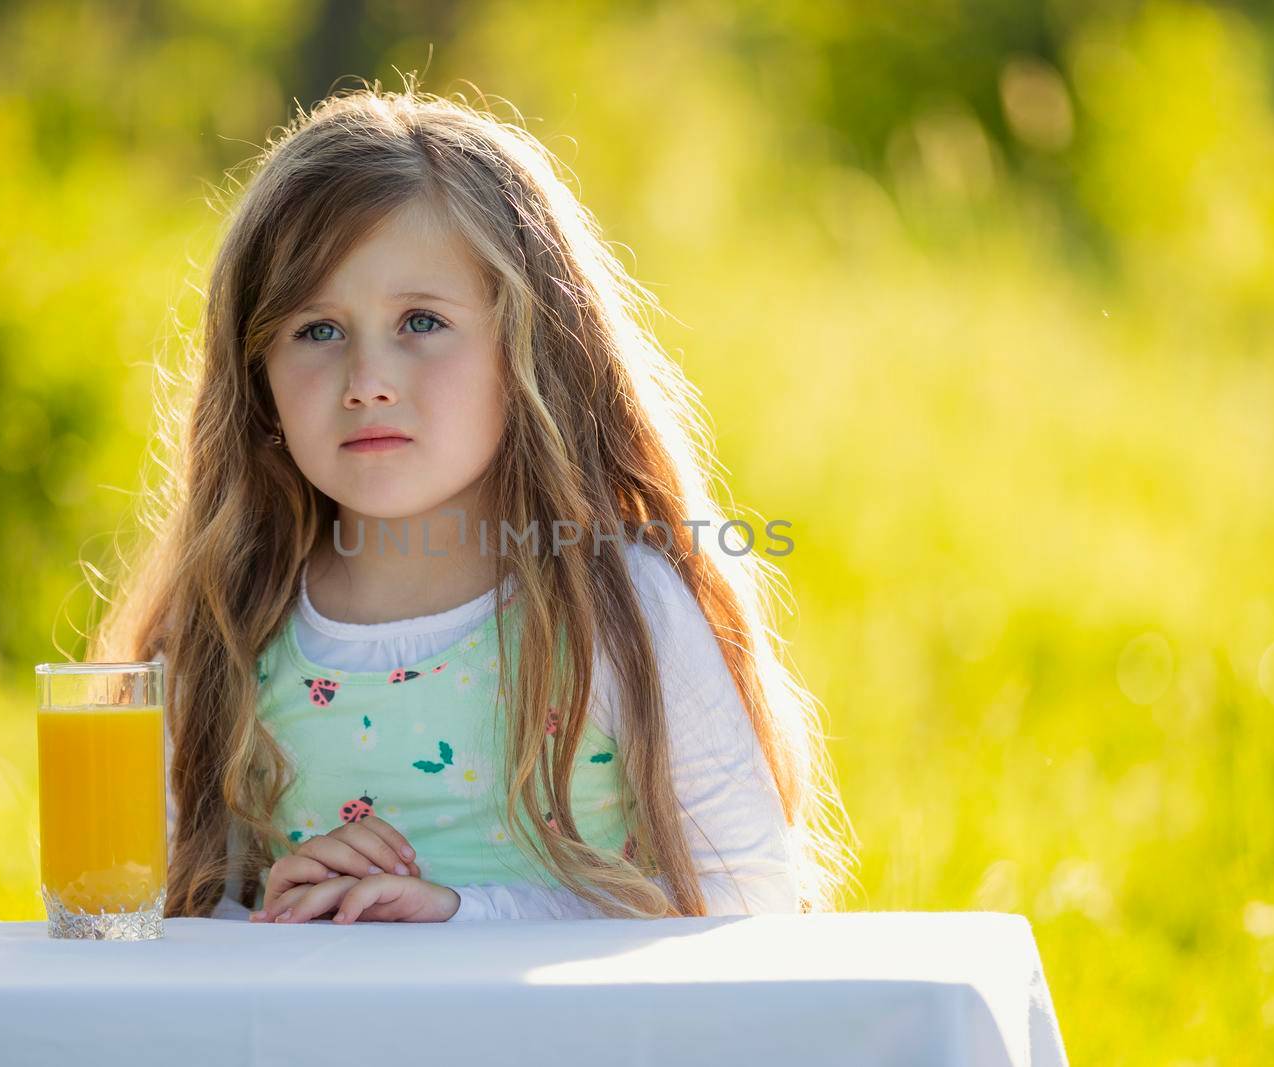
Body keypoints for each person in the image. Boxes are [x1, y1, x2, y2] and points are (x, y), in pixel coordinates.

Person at [91, 81, 856, 924]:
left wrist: (465, 915)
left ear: (531, 350)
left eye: (421, 321)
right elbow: (143, 917)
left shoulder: (616, 611)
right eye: (317, 330)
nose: (368, 382)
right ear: (257, 382)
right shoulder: (228, 628)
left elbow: (751, 903)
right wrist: (276, 913)